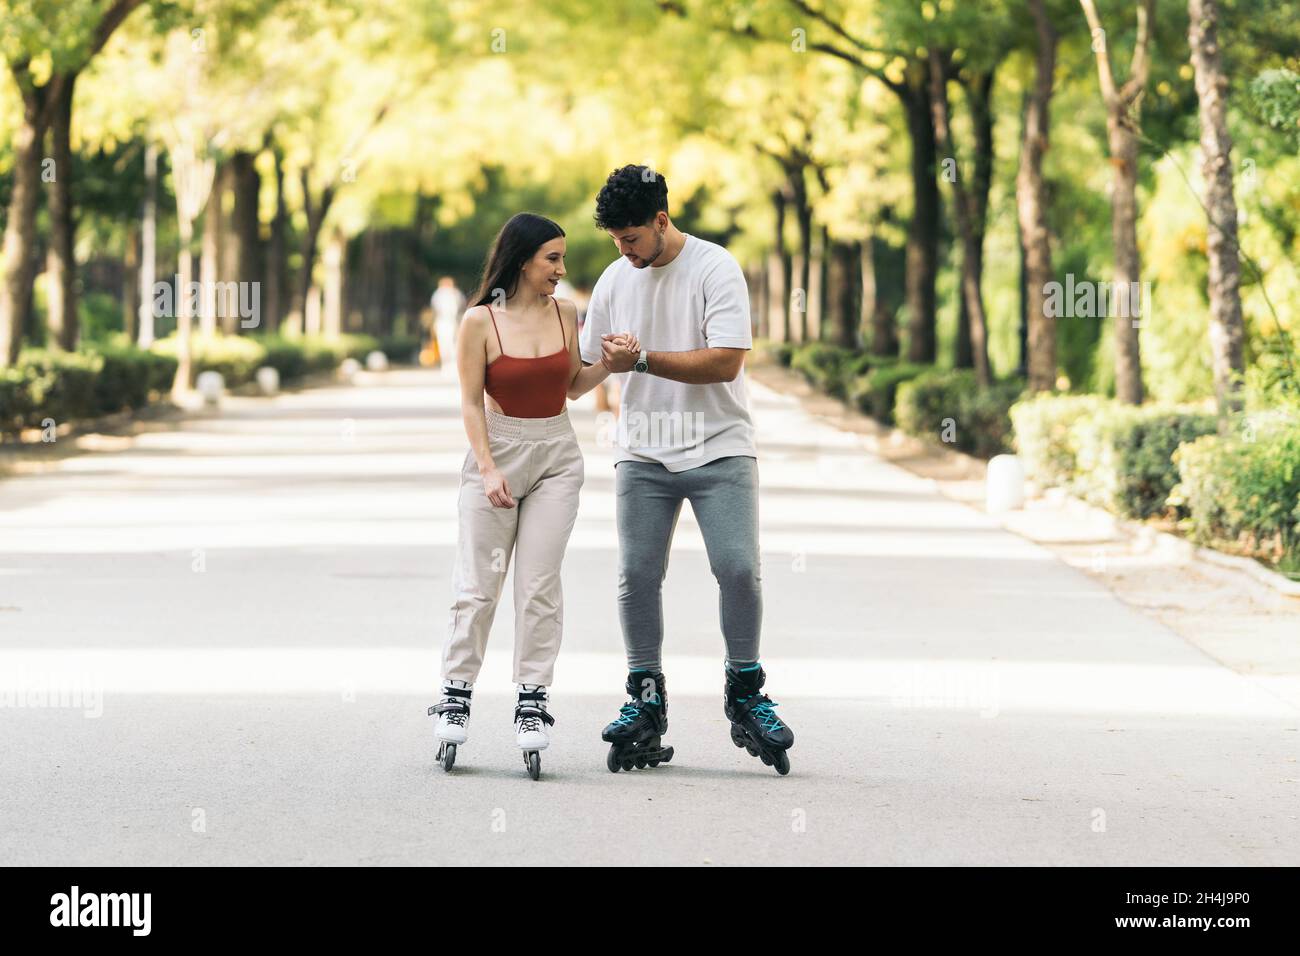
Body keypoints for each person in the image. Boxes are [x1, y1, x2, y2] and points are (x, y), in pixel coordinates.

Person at [580, 165, 795, 776]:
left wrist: (642, 360)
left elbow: (726, 361)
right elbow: (589, 366)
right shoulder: (614, 278)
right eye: (616, 241)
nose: (624, 251)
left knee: (738, 568)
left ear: (661, 220)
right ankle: (645, 697)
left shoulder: (714, 267)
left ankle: (746, 690)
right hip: (644, 451)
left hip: (720, 446)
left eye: (632, 239)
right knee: (636, 575)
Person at [428, 212, 638, 778]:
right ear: (523, 259)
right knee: (478, 587)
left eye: (562, 259)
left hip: (555, 458)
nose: (561, 270)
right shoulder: (479, 321)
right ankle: (455, 691)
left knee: (539, 586)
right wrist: (489, 468)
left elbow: (571, 388)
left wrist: (610, 367)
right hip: (496, 453)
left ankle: (532, 700)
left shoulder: (566, 313)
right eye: (552, 259)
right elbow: (471, 403)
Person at [429, 277, 467, 368]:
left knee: (452, 342)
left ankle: (452, 363)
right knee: (445, 343)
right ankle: (447, 363)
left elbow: (460, 308)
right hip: (443, 321)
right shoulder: (439, 294)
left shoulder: (455, 294)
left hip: (451, 322)